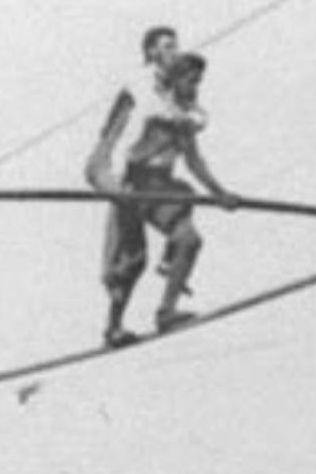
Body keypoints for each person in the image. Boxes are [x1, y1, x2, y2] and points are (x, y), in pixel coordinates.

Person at [85, 46, 238, 347]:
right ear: (176, 79)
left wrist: (221, 194)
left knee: (189, 240)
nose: (194, 88)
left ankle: (166, 311)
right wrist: (112, 183)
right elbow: (126, 150)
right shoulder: (157, 109)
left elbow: (194, 161)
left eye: (198, 82)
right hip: (137, 184)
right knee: (131, 263)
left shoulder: (184, 116)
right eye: (190, 81)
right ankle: (113, 328)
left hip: (162, 186)